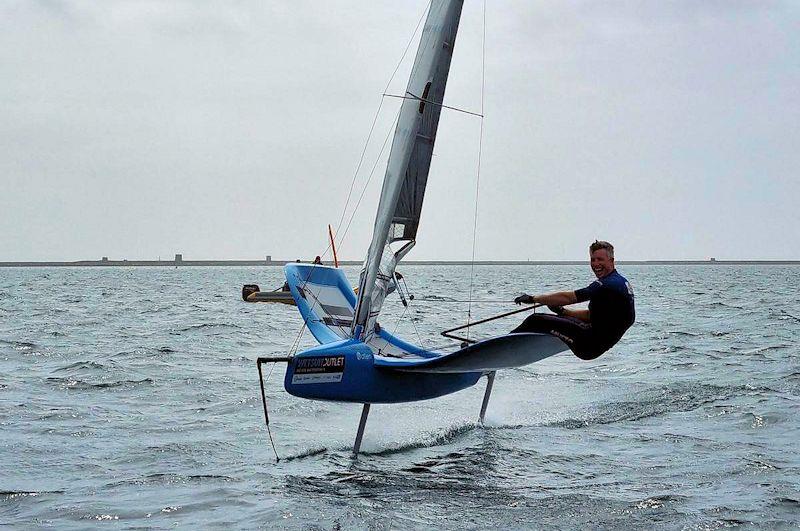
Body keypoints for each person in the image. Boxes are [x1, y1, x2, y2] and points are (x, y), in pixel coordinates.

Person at [511, 240, 635, 360]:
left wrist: (533, 299)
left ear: (611, 261)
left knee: (535, 320)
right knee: (550, 319)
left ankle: (501, 348)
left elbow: (569, 297)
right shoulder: (621, 282)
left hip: (588, 344)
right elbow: (594, 316)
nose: (595, 264)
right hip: (594, 340)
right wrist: (563, 312)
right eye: (593, 259)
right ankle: (519, 347)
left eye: (600, 259)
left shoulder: (607, 284)